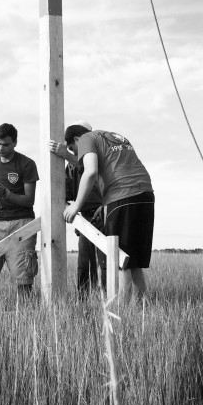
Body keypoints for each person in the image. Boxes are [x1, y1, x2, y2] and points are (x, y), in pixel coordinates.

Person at [62, 123, 154, 301]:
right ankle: (140, 308)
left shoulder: (87, 139)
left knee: (119, 259)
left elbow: (90, 171)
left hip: (121, 196)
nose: (77, 156)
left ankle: (121, 311)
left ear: (76, 139)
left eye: (74, 150)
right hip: (145, 195)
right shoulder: (112, 136)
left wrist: (76, 205)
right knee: (133, 260)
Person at [0, 123, 39, 300]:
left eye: (5, 144)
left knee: (23, 274)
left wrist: (6, 193)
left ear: (15, 143)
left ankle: (25, 317)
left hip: (22, 221)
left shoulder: (27, 164)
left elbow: (29, 200)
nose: (0, 148)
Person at [49, 122, 105, 295]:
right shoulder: (71, 166)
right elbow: (65, 194)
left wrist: (66, 155)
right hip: (86, 219)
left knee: (105, 263)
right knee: (84, 265)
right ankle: (83, 301)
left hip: (104, 214)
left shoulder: (100, 156)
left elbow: (95, 173)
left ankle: (107, 301)